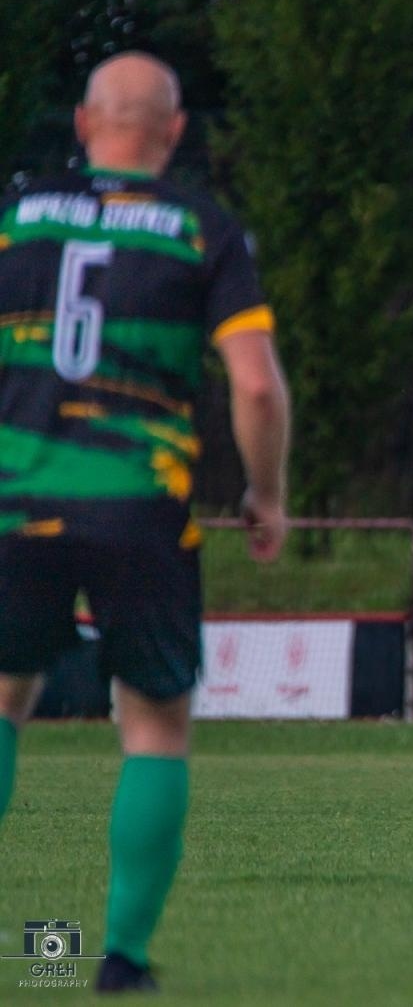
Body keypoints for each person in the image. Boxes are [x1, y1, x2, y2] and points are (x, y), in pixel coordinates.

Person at [0, 52, 291, 991]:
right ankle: (118, 958)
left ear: (85, 126)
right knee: (155, 727)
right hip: (140, 512)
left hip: (16, 501)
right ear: (172, 132)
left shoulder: (16, 219)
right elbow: (254, 382)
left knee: (2, 700)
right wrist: (266, 492)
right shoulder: (203, 229)